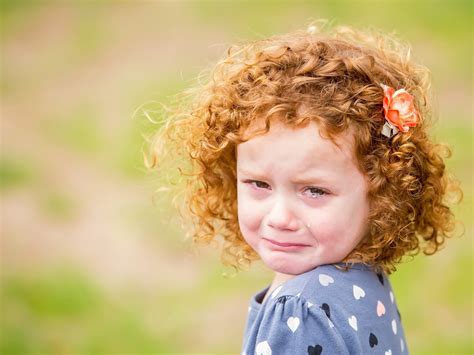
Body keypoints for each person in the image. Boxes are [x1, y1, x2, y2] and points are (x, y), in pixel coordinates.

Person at [145, 21, 462, 355]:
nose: (280, 217)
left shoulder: (300, 310)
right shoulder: (361, 274)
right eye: (259, 184)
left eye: (314, 191)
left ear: (381, 194)